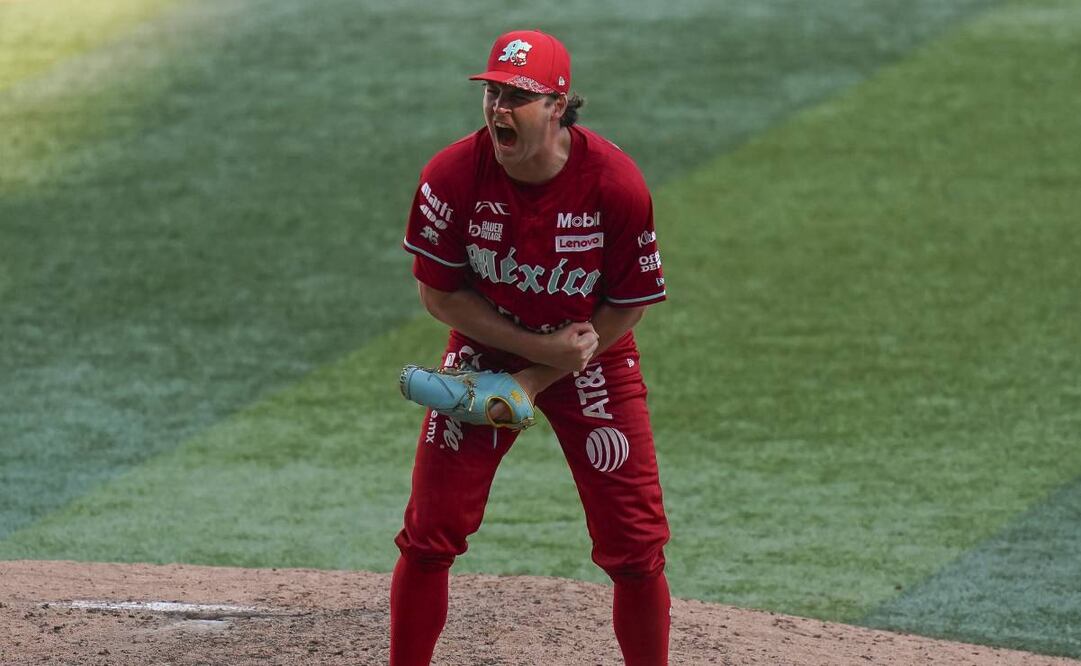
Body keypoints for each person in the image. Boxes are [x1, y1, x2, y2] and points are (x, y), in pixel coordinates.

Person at [392, 29, 671, 666]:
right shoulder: (452, 176)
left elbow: (631, 299)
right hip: (488, 348)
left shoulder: (616, 186)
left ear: (557, 106)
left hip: (592, 354)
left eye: (518, 95)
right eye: (492, 91)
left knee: (635, 549)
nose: (498, 108)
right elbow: (440, 296)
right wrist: (532, 352)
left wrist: (546, 371)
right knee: (430, 533)